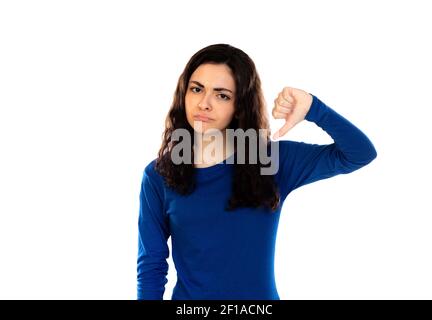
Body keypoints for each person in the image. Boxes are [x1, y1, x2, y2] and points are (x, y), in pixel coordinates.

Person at [136, 43, 377, 300]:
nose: (204, 103)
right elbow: (152, 264)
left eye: (222, 95)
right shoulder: (158, 175)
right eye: (197, 89)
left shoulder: (270, 159)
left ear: (239, 106)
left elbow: (359, 153)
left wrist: (313, 108)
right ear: (184, 94)